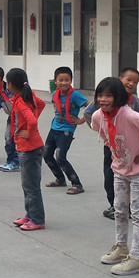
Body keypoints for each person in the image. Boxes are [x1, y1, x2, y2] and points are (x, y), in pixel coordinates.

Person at [92, 77, 139, 275]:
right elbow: (101, 131)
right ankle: (121, 247)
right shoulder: (98, 116)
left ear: (118, 97)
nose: (103, 99)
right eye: (100, 95)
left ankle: (135, 257)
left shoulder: (130, 115)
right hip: (119, 170)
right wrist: (112, 148)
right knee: (119, 210)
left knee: (138, 215)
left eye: (109, 95)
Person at [84, 67, 139, 219]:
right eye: (129, 79)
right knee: (111, 177)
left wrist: (136, 132)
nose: (131, 84)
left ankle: (130, 207)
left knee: (133, 177)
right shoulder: (106, 99)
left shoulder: (134, 101)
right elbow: (88, 112)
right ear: (120, 79)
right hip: (112, 148)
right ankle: (115, 206)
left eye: (135, 82)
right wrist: (102, 131)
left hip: (131, 149)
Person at [7, 68, 47, 231]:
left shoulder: (22, 101)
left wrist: (29, 132)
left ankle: (37, 219)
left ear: (10, 85)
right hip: (28, 147)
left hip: (29, 148)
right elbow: (41, 104)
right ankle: (29, 214)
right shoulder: (26, 97)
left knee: (31, 186)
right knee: (27, 184)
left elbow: (32, 121)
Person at [43, 66, 89, 195]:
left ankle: (77, 184)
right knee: (46, 155)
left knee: (60, 157)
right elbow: (55, 105)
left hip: (67, 130)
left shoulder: (75, 95)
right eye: (61, 80)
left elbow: (91, 107)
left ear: (71, 81)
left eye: (67, 80)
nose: (64, 83)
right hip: (54, 128)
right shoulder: (55, 93)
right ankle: (60, 179)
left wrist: (81, 121)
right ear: (55, 81)